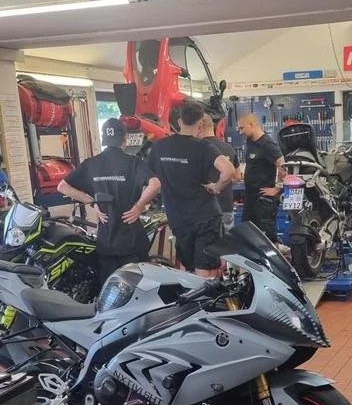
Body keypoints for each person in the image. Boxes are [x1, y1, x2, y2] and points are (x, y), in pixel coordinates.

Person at [58, 118, 161, 286]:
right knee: (138, 291)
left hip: (106, 242)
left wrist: (93, 202)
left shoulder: (90, 164)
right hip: (132, 240)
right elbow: (155, 184)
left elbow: (62, 186)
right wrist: (138, 207)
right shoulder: (134, 162)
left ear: (104, 138)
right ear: (125, 138)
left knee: (109, 291)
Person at [147, 99, 235, 277]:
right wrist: (217, 187)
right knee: (207, 272)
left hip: (179, 220)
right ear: (200, 124)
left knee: (189, 271)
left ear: (179, 121)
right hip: (205, 218)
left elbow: (151, 181)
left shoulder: (159, 147)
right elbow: (228, 171)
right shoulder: (204, 147)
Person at [238, 114, 285, 244]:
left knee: (267, 239)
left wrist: (277, 189)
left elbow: (283, 165)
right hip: (250, 198)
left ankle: (274, 255)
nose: (240, 132)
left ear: (252, 124)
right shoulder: (251, 141)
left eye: (242, 128)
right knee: (248, 236)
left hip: (263, 200)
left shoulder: (267, 144)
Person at [199, 112, 239, 232]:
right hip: (226, 206)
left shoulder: (196, 149)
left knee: (206, 242)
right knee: (227, 241)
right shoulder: (228, 147)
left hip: (204, 209)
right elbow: (237, 176)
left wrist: (215, 187)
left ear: (199, 127)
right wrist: (222, 184)